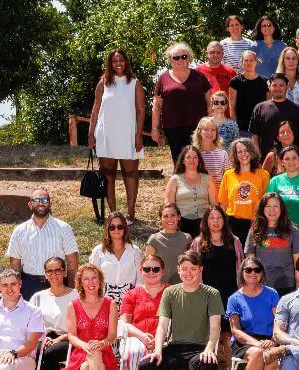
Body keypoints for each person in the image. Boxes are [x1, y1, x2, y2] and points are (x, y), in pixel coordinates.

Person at [140, 252, 223, 370]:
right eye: (184, 269)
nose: (188, 273)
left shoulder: (211, 293)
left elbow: (215, 327)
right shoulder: (170, 292)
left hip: (198, 350)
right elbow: (162, 326)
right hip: (174, 349)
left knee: (210, 363)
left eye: (193, 268)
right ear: (178, 270)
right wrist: (158, 350)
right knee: (145, 366)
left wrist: (209, 348)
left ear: (200, 270)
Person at [61, 264, 119, 370]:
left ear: (100, 281)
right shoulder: (73, 305)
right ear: (80, 282)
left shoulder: (110, 304)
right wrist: (85, 345)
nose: (90, 282)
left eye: (94, 278)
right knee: (89, 359)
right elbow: (71, 335)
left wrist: (102, 343)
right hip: (81, 351)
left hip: (105, 352)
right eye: (86, 279)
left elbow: (112, 335)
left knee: (88, 365)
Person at [89, 48, 146, 219]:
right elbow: (95, 109)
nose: (118, 64)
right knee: (108, 173)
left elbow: (141, 110)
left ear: (126, 62)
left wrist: (138, 134)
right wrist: (91, 133)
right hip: (106, 134)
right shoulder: (103, 83)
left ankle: (131, 213)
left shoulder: (134, 83)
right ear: (110, 64)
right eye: (114, 61)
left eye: (121, 60)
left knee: (131, 173)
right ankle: (113, 213)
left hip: (128, 134)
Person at [225, 257, 281, 370]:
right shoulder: (234, 299)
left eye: (257, 270)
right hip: (244, 341)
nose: (253, 273)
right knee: (258, 353)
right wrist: (257, 343)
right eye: (248, 269)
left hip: (268, 340)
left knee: (284, 353)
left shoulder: (271, 294)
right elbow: (236, 330)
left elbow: (279, 321)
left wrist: (273, 340)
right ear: (242, 272)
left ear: (262, 273)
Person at [5, 188, 79, 300]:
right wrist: (17, 290)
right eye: (36, 200)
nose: (41, 203)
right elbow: (15, 265)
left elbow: (72, 262)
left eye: (45, 200)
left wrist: (71, 291)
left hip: (57, 283)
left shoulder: (64, 228)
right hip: (28, 286)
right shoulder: (19, 231)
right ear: (30, 205)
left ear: (50, 204)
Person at [29, 258, 77, 370]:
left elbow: (80, 327)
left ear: (64, 272)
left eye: (58, 270)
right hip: (44, 337)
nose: (54, 274)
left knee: (51, 353)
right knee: (31, 351)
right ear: (45, 274)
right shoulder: (38, 297)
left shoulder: (76, 296)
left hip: (69, 338)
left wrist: (59, 339)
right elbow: (30, 323)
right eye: (49, 271)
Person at [152, 42, 211, 162]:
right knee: (179, 161)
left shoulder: (199, 77)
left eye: (184, 56)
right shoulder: (163, 78)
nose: (180, 60)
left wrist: (210, 124)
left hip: (198, 127)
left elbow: (210, 102)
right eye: (176, 57)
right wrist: (154, 128)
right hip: (173, 128)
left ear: (189, 58)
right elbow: (157, 106)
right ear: (170, 59)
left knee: (197, 160)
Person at [244, 193, 299, 294]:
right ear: (262, 209)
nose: (272, 210)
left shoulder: (292, 230)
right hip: (262, 284)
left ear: (281, 209)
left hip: (287, 284)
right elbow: (250, 261)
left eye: (276, 206)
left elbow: (298, 262)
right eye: (268, 206)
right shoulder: (255, 231)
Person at [249, 73, 299, 157]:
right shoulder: (260, 108)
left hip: (292, 160)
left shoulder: (297, 108)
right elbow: (254, 135)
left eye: (281, 85)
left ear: (287, 87)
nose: (278, 88)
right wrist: (257, 157)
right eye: (274, 85)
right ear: (269, 87)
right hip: (267, 160)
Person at [90, 211, 142, 300]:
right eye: (112, 227)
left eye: (120, 227)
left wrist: (135, 299)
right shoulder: (98, 251)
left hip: (130, 299)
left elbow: (140, 280)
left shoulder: (135, 251)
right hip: (104, 300)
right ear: (107, 229)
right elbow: (92, 278)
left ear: (125, 228)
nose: (116, 230)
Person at [165, 146, 215, 237]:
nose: (192, 160)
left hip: (204, 224)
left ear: (199, 160)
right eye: (188, 157)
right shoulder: (175, 179)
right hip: (181, 224)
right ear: (183, 161)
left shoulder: (208, 179)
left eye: (195, 157)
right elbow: (169, 206)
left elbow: (214, 205)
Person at [229, 51, 269, 135]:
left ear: (256, 62)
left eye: (251, 60)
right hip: (241, 128)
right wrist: (234, 128)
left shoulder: (265, 82)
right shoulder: (235, 81)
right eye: (246, 60)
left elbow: (269, 106)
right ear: (242, 63)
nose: (248, 63)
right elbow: (232, 107)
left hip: (260, 128)